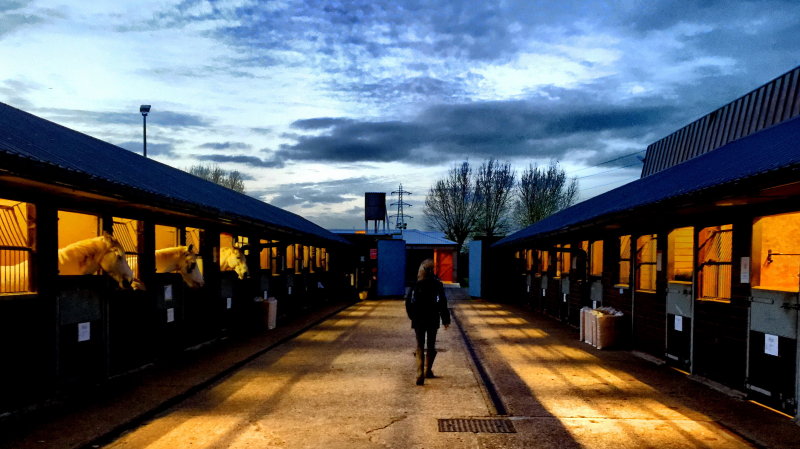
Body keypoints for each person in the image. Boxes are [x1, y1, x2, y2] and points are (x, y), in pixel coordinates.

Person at [405, 259, 450, 386]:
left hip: (418, 319)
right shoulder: (437, 285)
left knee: (419, 345)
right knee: (430, 344)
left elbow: (408, 302)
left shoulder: (416, 284)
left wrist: (412, 316)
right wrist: (446, 319)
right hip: (432, 318)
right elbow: (442, 302)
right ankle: (428, 370)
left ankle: (419, 373)